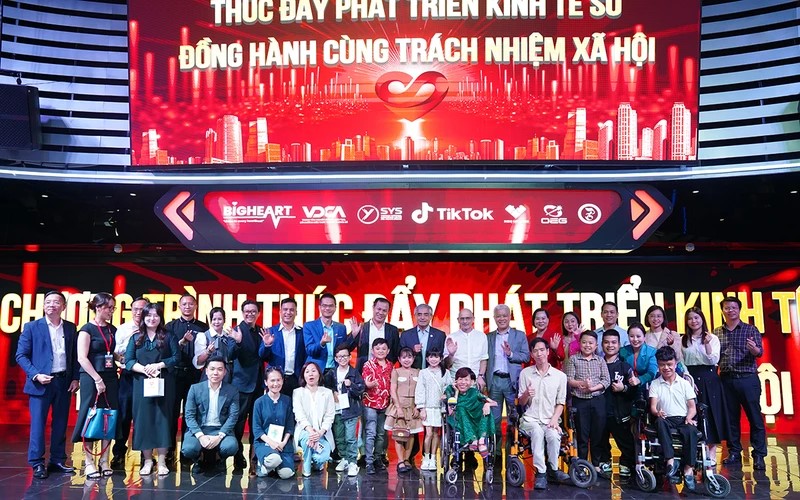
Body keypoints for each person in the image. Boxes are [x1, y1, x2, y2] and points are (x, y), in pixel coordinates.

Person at [16, 290, 79, 479]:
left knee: (60, 423)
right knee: (38, 424)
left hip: (63, 382)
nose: (52, 305)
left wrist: (75, 378)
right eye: (48, 302)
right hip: (40, 383)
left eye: (56, 302)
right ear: (43, 305)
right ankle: (37, 463)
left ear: (63, 306)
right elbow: (21, 355)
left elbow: (74, 355)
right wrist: (35, 375)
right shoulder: (32, 327)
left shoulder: (70, 328)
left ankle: (57, 460)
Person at [125, 302, 179, 476]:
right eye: (148, 315)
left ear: (160, 317)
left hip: (164, 382)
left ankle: (162, 461)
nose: (152, 318)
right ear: (143, 317)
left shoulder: (168, 336)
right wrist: (144, 369)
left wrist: (158, 365)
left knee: (163, 420)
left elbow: (176, 357)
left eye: (156, 315)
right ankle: (148, 461)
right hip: (142, 383)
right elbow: (129, 361)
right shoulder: (135, 337)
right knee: (144, 421)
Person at [715, 296, 766, 470]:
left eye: (733, 307)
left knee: (755, 417)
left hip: (747, 378)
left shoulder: (750, 329)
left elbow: (759, 352)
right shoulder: (717, 332)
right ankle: (734, 451)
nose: (730, 310)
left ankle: (759, 455)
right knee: (731, 419)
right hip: (726, 379)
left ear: (739, 309)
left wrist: (754, 349)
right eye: (727, 308)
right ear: (722, 310)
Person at [72, 292, 118, 479]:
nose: (111, 311)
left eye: (113, 308)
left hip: (111, 376)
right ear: (98, 307)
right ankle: (89, 461)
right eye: (109, 307)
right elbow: (82, 358)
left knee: (109, 415)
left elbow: (111, 352)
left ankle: (105, 459)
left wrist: (121, 357)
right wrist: (97, 379)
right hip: (91, 377)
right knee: (90, 415)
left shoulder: (113, 329)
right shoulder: (86, 329)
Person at [517, 338, 570, 490]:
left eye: (542, 350)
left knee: (553, 435)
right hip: (530, 419)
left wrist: (554, 419)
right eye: (535, 351)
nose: (539, 354)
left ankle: (553, 469)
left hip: (550, 418)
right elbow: (521, 402)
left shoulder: (560, 376)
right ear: (531, 354)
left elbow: (561, 402)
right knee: (537, 432)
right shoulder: (525, 373)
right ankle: (541, 472)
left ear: (547, 352)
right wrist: (526, 394)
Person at [682, 306, 728, 466]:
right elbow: (681, 361)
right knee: (692, 414)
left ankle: (711, 452)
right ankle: (695, 451)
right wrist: (687, 378)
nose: (693, 321)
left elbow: (713, 360)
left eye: (696, 318)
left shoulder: (712, 338)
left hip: (709, 378)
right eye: (690, 318)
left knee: (710, 414)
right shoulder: (683, 339)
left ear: (702, 319)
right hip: (690, 378)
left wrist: (707, 344)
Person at [165, 293, 207, 466]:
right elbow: (166, 351)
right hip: (174, 375)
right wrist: (181, 342)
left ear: (195, 306)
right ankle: (169, 450)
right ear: (179, 306)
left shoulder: (203, 327)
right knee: (171, 413)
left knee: (191, 414)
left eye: (191, 304)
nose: (188, 307)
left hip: (194, 376)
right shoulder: (170, 327)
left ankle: (188, 451)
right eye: (184, 304)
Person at [649, 346, 699, 491]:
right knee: (659, 422)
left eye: (669, 364)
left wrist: (689, 417)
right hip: (665, 418)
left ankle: (688, 469)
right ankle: (670, 461)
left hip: (683, 418)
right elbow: (653, 407)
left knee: (691, 430)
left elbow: (692, 407)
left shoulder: (684, 383)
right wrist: (657, 412)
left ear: (675, 364)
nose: (666, 368)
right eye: (662, 365)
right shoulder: (655, 384)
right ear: (658, 365)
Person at [181, 355, 240, 472]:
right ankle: (198, 459)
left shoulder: (232, 390)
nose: (215, 373)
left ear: (225, 372)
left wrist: (220, 436)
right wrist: (200, 436)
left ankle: (219, 458)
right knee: (188, 449)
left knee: (231, 447)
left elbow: (233, 416)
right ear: (206, 371)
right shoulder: (195, 389)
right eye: (212, 369)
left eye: (220, 369)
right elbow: (189, 415)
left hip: (220, 428)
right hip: (200, 428)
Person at [485, 304, 529, 464]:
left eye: (504, 315)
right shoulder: (488, 337)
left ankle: (512, 453)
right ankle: (495, 453)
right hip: (494, 380)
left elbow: (526, 356)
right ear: (494, 318)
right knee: (494, 420)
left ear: (510, 316)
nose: (502, 318)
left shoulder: (519, 335)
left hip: (512, 382)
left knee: (513, 419)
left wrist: (510, 354)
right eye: (498, 316)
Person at [564, 331, 610, 471]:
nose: (587, 345)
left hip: (598, 400)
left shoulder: (600, 360)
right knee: (582, 435)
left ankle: (595, 464)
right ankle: (582, 465)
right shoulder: (573, 359)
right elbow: (569, 379)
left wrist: (592, 388)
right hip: (580, 401)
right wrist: (581, 384)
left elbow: (606, 380)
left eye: (591, 343)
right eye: (584, 342)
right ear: (579, 344)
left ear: (596, 345)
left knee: (598, 434)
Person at [110, 296, 147, 469]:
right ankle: (118, 452)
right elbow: (114, 353)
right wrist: (126, 355)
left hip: (148, 377)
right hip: (128, 376)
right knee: (124, 415)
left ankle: (146, 455)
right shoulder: (123, 329)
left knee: (145, 415)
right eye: (135, 309)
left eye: (142, 309)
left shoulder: (153, 327)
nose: (139, 312)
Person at [597, 330, 636, 482]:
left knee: (625, 441)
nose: (610, 345)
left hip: (619, 412)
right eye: (606, 342)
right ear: (602, 345)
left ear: (619, 345)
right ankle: (604, 462)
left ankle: (626, 464)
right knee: (600, 440)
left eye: (614, 342)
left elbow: (633, 390)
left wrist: (623, 388)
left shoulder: (625, 366)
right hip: (600, 411)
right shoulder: (596, 364)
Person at [324, 344, 365, 477]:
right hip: (336, 409)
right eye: (339, 356)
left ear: (349, 357)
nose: (342, 359)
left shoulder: (354, 373)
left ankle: (352, 462)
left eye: (345, 356)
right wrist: (333, 392)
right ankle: (345, 458)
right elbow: (325, 387)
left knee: (350, 437)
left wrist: (351, 385)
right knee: (339, 437)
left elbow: (361, 388)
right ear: (335, 358)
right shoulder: (331, 373)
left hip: (351, 410)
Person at [252, 366, 296, 479]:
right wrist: (271, 443)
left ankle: (274, 466)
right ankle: (264, 464)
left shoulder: (287, 400)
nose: (275, 384)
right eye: (272, 380)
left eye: (278, 380)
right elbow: (257, 429)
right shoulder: (259, 402)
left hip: (283, 445)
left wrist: (283, 442)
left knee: (286, 474)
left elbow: (290, 425)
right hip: (265, 443)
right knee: (274, 459)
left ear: (282, 381)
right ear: (266, 382)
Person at [293, 361, 336, 477]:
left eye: (313, 371)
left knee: (322, 457)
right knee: (308, 439)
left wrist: (320, 432)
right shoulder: (297, 392)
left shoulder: (327, 393)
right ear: (303, 376)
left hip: (323, 433)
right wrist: (311, 432)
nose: (310, 374)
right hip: (304, 431)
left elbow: (329, 416)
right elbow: (299, 415)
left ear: (319, 374)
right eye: (307, 372)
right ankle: (306, 467)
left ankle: (316, 462)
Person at [385, 347, 423, 474]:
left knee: (411, 434)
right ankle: (400, 461)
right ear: (399, 359)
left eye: (409, 357)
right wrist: (398, 408)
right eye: (404, 357)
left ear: (413, 358)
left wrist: (418, 407)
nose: (407, 360)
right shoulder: (396, 371)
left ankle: (407, 459)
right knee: (399, 434)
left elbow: (421, 391)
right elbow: (393, 390)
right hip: (399, 406)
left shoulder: (418, 372)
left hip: (413, 406)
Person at [443, 367, 497, 456]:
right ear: (456, 381)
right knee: (461, 408)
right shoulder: (450, 390)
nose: (463, 382)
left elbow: (494, 403)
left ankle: (481, 441)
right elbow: (451, 411)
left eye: (466, 380)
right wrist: (456, 392)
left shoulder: (474, 392)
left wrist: (487, 405)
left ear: (472, 382)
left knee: (485, 408)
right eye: (460, 379)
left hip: (474, 418)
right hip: (457, 419)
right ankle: (473, 440)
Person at [258, 297, 306, 397]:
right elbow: (262, 355)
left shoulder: (302, 332)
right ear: (280, 312)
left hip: (296, 379)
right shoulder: (271, 331)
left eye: (291, 310)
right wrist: (267, 345)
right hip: (276, 380)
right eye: (285, 309)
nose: (288, 312)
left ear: (296, 312)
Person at [414, 349, 451, 471]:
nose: (433, 359)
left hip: (440, 408)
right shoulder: (423, 373)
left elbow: (449, 387)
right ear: (427, 358)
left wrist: (446, 395)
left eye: (436, 357)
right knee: (428, 433)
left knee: (436, 434)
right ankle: (426, 457)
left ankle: (433, 458)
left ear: (440, 359)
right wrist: (422, 408)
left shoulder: (445, 373)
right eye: (431, 357)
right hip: (428, 407)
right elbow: (420, 390)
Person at [361, 337, 393, 475]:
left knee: (381, 434)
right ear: (372, 350)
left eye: (384, 348)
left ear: (388, 351)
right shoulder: (368, 365)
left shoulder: (390, 366)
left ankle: (378, 458)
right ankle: (368, 462)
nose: (381, 351)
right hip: (370, 403)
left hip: (385, 403)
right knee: (370, 433)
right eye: (378, 348)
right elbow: (363, 382)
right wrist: (367, 385)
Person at [304, 293, 352, 373]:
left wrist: (354, 335)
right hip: (316, 370)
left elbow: (345, 349)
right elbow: (309, 350)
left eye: (331, 306)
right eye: (324, 305)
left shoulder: (341, 328)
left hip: (336, 370)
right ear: (319, 307)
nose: (327, 308)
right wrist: (321, 343)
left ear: (335, 308)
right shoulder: (309, 326)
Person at [351, 297, 400, 372]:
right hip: (363, 372)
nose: (381, 313)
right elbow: (348, 348)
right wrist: (353, 336)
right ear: (373, 308)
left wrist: (386, 366)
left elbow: (396, 353)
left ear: (388, 312)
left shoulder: (393, 330)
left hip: (385, 373)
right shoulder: (361, 327)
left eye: (384, 310)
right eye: (379, 309)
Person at [445, 309, 488, 389]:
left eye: (468, 318)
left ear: (473, 319)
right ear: (458, 320)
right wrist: (451, 355)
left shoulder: (482, 336)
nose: (465, 321)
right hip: (456, 380)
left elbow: (483, 359)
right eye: (462, 318)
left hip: (474, 381)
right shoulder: (451, 337)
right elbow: (447, 364)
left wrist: (481, 376)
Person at [194, 307, 237, 383]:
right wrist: (207, 352)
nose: (217, 322)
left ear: (224, 320)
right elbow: (198, 362)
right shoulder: (203, 336)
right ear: (211, 321)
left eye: (219, 319)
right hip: (209, 376)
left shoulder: (228, 336)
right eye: (214, 319)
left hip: (226, 375)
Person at [400, 303, 447, 370]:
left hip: (433, 373)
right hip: (411, 373)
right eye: (419, 314)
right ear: (415, 316)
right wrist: (412, 351)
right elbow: (400, 356)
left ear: (431, 316)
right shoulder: (406, 335)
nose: (422, 317)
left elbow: (443, 357)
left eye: (426, 314)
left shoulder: (440, 335)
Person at [619, 322, 658, 396]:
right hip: (626, 388)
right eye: (631, 336)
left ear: (644, 337)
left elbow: (652, 372)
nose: (635, 339)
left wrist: (639, 380)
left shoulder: (651, 352)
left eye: (638, 336)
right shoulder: (622, 351)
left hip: (646, 388)